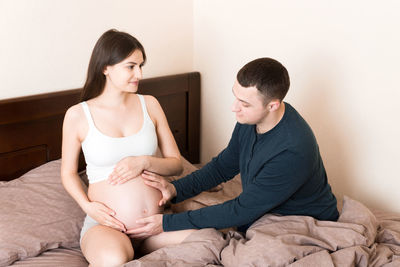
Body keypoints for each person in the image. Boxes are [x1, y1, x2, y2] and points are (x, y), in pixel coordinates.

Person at [126, 57, 339, 239]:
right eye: (235, 97)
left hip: (299, 220)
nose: (234, 108)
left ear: (273, 105)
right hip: (261, 207)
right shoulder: (250, 119)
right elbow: (223, 166)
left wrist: (166, 223)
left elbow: (241, 210)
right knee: (191, 209)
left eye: (245, 104)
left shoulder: (293, 149)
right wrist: (176, 189)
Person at [61, 29, 195, 267]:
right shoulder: (78, 115)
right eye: (131, 66)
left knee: (205, 238)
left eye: (141, 66)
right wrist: (88, 207)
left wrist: (144, 161)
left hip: (156, 224)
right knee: (114, 259)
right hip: (109, 227)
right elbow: (68, 173)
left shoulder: (150, 104)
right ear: (105, 68)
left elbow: (176, 163)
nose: (139, 74)